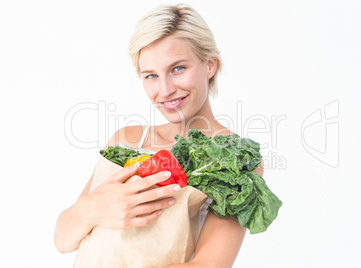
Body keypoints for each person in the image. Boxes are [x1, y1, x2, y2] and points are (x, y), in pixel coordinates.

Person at [54, 4, 263, 267]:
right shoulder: (128, 141)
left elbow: (209, 265)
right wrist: (95, 209)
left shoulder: (236, 158)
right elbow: (63, 239)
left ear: (209, 65)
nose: (164, 90)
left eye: (177, 69)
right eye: (151, 75)